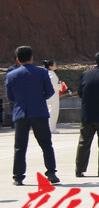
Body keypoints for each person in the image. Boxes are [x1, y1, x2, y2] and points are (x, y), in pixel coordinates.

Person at [7, 46, 60, 186]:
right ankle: (51, 172)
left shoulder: (11, 75)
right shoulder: (42, 73)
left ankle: (18, 176)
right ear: (32, 57)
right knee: (46, 144)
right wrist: (39, 99)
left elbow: (10, 96)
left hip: (21, 113)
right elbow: (50, 92)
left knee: (20, 147)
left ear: (17, 60)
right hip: (39, 111)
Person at [43, 59, 62, 134]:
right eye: (54, 64)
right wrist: (60, 85)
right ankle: (52, 129)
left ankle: (47, 128)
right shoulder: (52, 74)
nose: (56, 65)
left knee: (48, 111)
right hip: (53, 95)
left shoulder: (45, 73)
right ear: (50, 66)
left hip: (47, 95)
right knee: (53, 112)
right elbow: (54, 86)